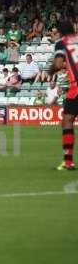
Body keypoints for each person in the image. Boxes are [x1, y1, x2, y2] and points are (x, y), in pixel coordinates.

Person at [53, 21, 78, 170]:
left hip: (76, 88)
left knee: (67, 121)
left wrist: (63, 65)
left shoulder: (61, 43)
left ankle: (68, 162)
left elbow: (57, 64)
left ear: (61, 32)